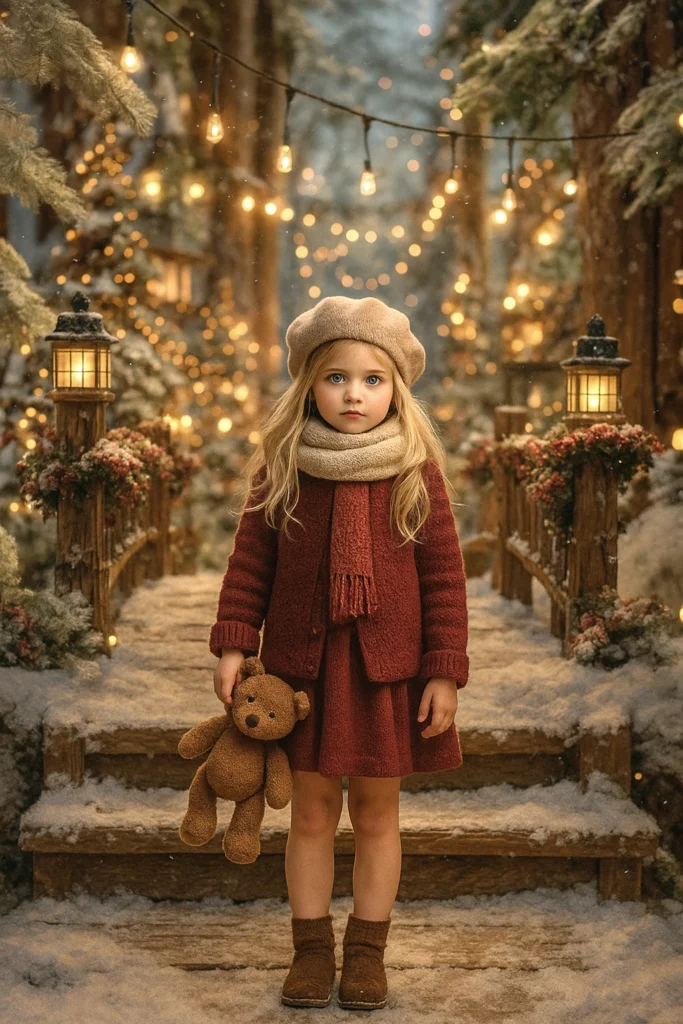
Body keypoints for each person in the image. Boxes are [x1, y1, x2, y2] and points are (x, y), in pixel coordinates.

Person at [210, 295, 469, 1011]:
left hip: (387, 672)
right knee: (313, 815)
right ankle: (310, 949)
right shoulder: (283, 467)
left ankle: (366, 952)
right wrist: (235, 644)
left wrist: (444, 667)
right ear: (307, 386)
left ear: (396, 389)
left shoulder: (415, 472)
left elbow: (443, 577)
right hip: (303, 673)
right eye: (335, 378)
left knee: (379, 816)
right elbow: (249, 566)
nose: (353, 394)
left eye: (372, 379)